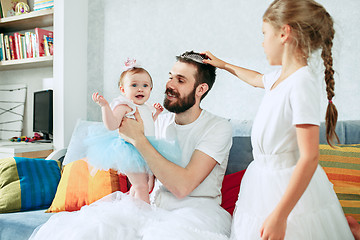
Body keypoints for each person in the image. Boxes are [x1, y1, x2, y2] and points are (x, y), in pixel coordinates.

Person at [29, 51, 233, 240]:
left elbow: (182, 187)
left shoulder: (217, 127)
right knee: (84, 231)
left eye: (180, 80)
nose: (169, 85)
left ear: (201, 89)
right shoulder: (159, 121)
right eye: (170, 76)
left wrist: (138, 139)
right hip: (150, 207)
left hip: (194, 213)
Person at [203, 0, 354, 239]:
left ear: (284, 33)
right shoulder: (280, 78)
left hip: (284, 185)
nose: (262, 42)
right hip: (260, 180)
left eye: (265, 34)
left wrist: (280, 215)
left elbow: (310, 157)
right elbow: (255, 78)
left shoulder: (301, 83)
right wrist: (222, 64)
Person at [85, 59, 165, 203]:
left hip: (145, 149)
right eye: (134, 85)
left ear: (151, 89)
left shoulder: (145, 107)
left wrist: (156, 114)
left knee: (142, 186)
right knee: (141, 186)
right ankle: (144, 217)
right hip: (130, 151)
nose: (140, 89)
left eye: (145, 85)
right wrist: (105, 106)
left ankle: (132, 211)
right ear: (123, 90)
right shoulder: (125, 106)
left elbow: (146, 127)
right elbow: (112, 125)